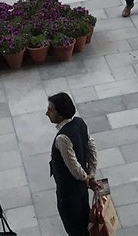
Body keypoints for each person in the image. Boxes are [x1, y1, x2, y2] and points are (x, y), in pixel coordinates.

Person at [46, 93, 99, 236]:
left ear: (61, 113)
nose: (47, 113)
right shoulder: (80, 123)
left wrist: (87, 178)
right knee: (85, 220)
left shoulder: (62, 138)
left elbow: (73, 167)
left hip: (69, 193)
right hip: (81, 190)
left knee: (75, 228)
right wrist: (91, 174)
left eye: (50, 110)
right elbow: (91, 147)